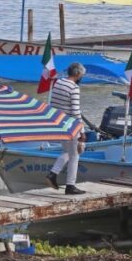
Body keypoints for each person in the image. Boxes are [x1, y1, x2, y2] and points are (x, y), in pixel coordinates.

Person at [46, 62, 87, 195]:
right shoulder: (74, 88)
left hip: (59, 123)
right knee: (75, 155)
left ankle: (53, 174)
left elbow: (53, 104)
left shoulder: (58, 83)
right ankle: (70, 185)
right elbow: (75, 111)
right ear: (78, 74)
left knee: (68, 152)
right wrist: (82, 131)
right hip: (71, 125)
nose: (82, 77)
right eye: (82, 74)